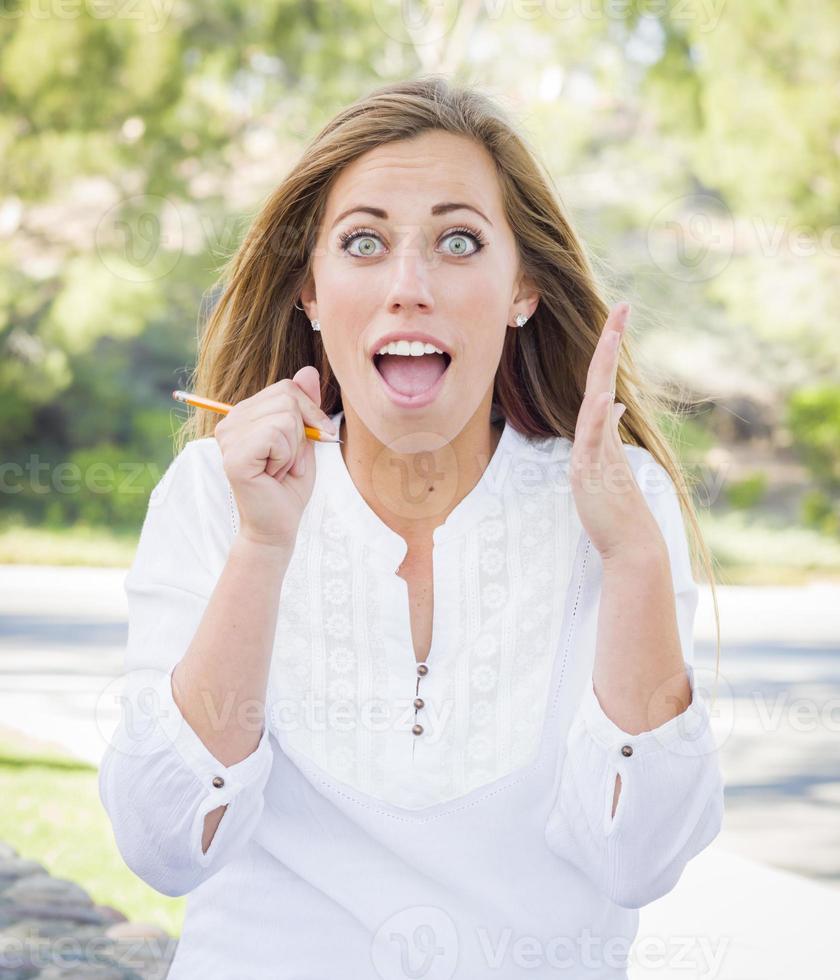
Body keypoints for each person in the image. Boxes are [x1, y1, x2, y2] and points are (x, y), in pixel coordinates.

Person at [98, 76, 724, 979]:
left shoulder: (622, 506)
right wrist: (263, 549)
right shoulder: (215, 495)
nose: (409, 287)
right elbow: (164, 848)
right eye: (363, 243)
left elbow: (638, 862)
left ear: (524, 289)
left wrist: (629, 558)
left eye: (459, 241)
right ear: (311, 292)